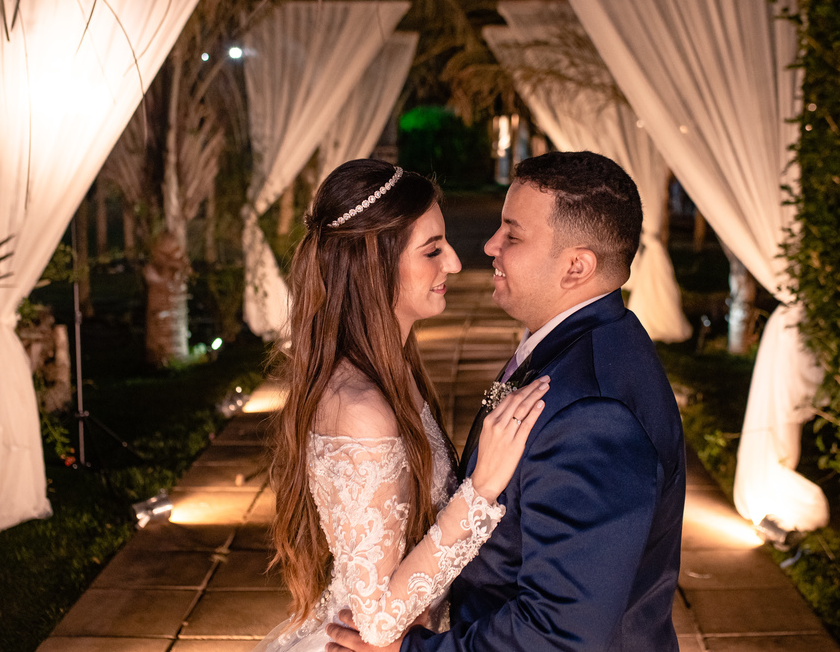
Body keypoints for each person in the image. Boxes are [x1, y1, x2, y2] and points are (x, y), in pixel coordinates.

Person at [326, 151, 687, 652]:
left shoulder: (593, 413)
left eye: (512, 236)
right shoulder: (577, 348)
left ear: (576, 266)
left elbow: (558, 635)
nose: (488, 246)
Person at [255, 159, 550, 652]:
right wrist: (480, 490)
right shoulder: (360, 410)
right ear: (375, 266)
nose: (454, 263)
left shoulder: (395, 368)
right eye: (432, 250)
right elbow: (374, 620)